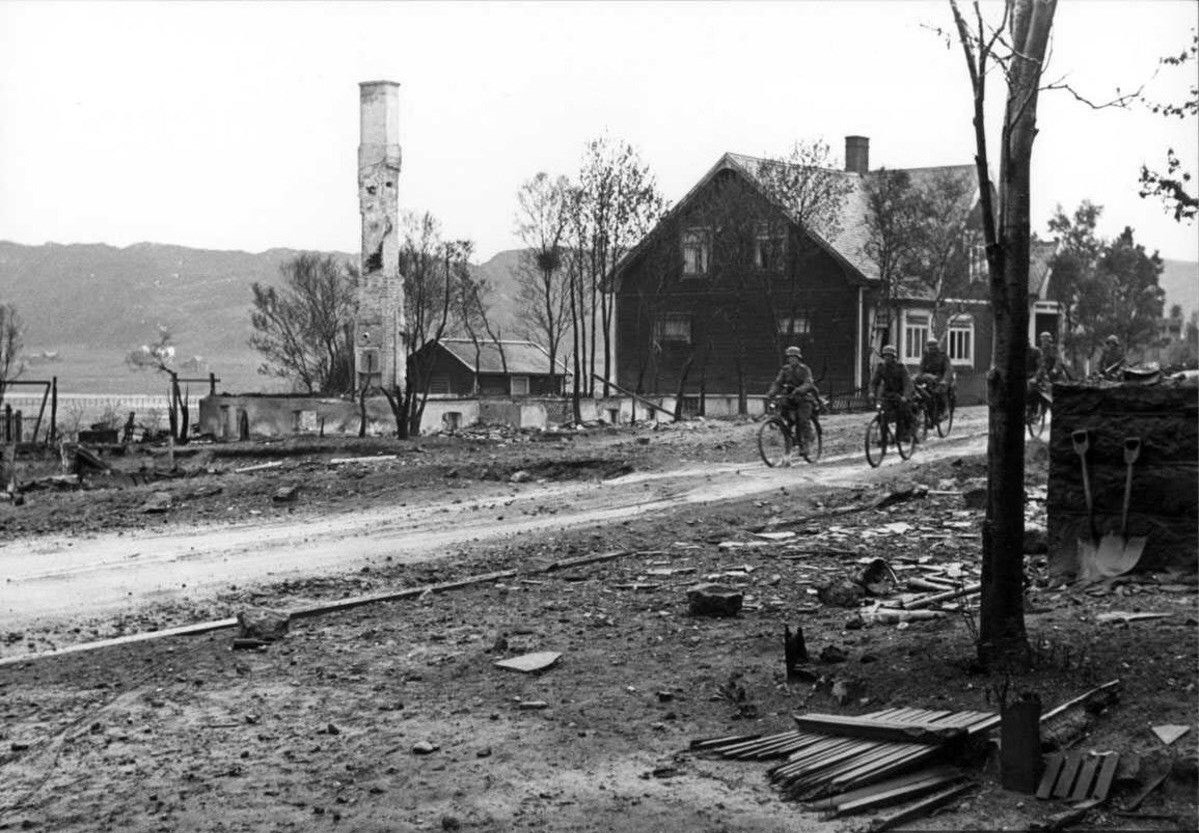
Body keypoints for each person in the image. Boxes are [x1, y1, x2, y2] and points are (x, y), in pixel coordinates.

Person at [766, 345, 817, 461]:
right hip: (790, 398)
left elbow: (809, 383)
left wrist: (799, 390)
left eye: (794, 357)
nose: (791, 359)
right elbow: (778, 383)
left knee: (803, 419)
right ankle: (789, 438)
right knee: (784, 418)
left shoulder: (804, 369)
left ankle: (807, 442)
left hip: (804, 398)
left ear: (798, 358)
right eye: (789, 357)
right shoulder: (785, 370)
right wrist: (771, 393)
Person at [870, 344, 914, 442]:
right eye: (885, 356)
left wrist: (905, 396)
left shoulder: (900, 367)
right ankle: (883, 437)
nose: (887, 358)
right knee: (883, 414)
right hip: (888, 394)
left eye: (889, 356)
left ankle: (906, 433)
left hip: (900, 394)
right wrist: (872, 392)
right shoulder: (881, 367)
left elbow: (907, 383)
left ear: (894, 357)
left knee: (904, 412)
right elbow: (874, 382)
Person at [915, 338, 953, 420]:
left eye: (933, 347)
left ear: (937, 347)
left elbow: (948, 369)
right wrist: (919, 376)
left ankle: (945, 410)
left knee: (940, 391)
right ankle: (921, 412)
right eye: (930, 347)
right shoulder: (926, 356)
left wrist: (944, 380)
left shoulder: (943, 356)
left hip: (940, 377)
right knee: (920, 391)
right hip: (928, 378)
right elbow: (921, 368)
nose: (931, 349)